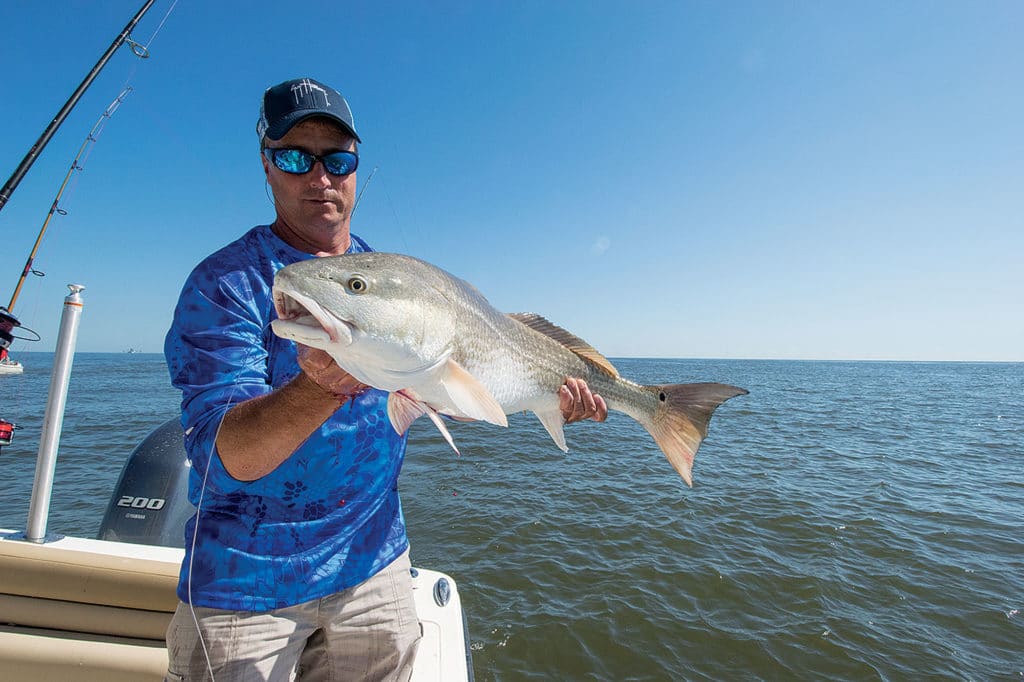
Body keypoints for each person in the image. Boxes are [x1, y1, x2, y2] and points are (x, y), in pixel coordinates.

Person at [163, 77, 607, 682]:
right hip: (246, 582)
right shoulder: (227, 285)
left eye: (337, 160)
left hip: (375, 565)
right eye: (295, 157)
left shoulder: (393, 276)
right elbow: (230, 455)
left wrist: (547, 400)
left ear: (354, 169)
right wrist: (320, 386)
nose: (320, 177)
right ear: (266, 166)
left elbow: (436, 389)